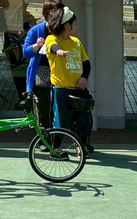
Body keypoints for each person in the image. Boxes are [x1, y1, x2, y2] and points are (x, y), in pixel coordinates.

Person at [45, 6, 92, 151]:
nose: (76, 26)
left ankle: (81, 147)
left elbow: (86, 63)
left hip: (79, 89)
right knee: (61, 120)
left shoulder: (76, 42)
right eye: (75, 24)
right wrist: (59, 51)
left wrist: (84, 78)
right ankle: (56, 148)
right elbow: (53, 47)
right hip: (61, 90)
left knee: (84, 119)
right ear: (67, 26)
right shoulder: (51, 39)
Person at [22, 0, 63, 131]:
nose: (56, 14)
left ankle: (58, 136)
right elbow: (26, 52)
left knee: (60, 109)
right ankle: (45, 136)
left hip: (60, 72)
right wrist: (36, 46)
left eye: (58, 11)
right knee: (44, 109)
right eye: (53, 11)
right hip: (42, 72)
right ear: (47, 13)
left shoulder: (63, 29)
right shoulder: (37, 30)